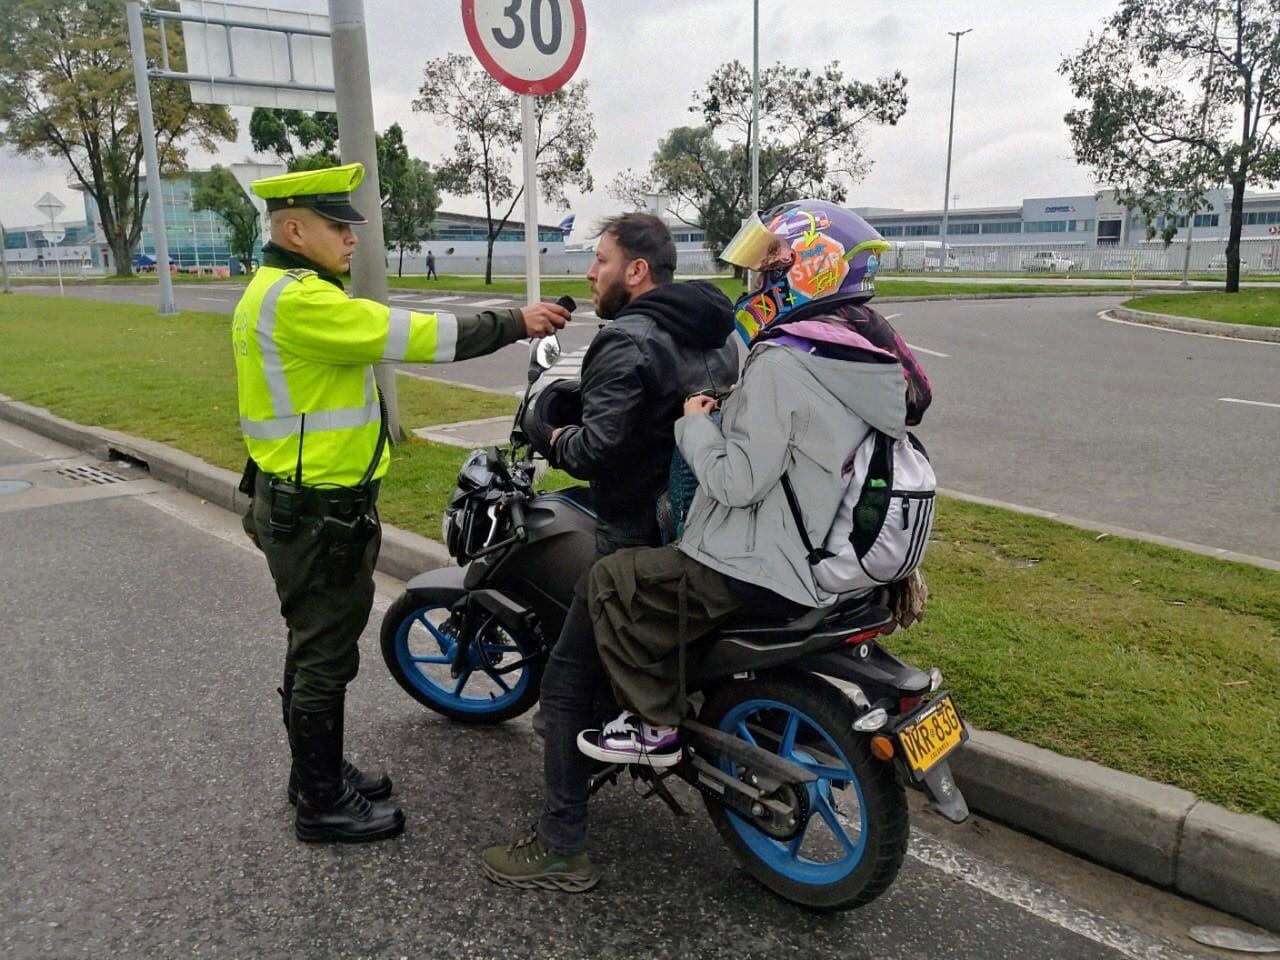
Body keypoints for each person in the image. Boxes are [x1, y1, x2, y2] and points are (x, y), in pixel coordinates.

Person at [233, 162, 569, 844]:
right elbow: (417, 335)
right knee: (324, 655)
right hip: (316, 514)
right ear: (294, 229)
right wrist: (516, 321)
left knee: (315, 647)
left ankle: (315, 775)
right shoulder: (299, 301)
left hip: (310, 505)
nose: (352, 240)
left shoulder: (287, 290)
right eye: (337, 227)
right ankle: (321, 803)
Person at [577, 200, 931, 770]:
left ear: (807, 267)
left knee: (615, 579)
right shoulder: (863, 355)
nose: (754, 280)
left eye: (766, 267)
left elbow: (734, 481)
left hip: (762, 562)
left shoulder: (783, 360)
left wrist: (694, 423)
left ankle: (654, 726)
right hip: (819, 543)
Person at [481, 212, 740, 891]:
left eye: (599, 261)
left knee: (565, 683)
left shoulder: (628, 337)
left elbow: (598, 452)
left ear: (637, 271)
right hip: (700, 519)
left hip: (634, 533)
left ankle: (562, 847)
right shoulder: (716, 330)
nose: (589, 274)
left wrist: (546, 431)